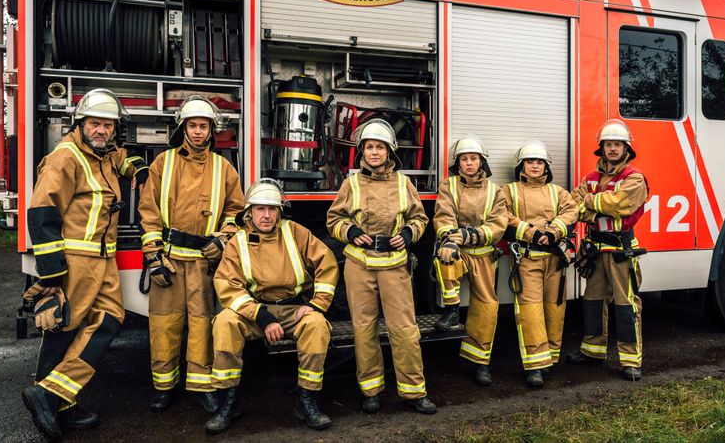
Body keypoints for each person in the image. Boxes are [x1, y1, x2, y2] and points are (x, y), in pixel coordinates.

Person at [22, 88, 148, 440]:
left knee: (109, 320)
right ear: (81, 123)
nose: (102, 131)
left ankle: (52, 395)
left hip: (104, 258)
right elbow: (42, 211)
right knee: (64, 329)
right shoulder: (66, 157)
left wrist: (137, 166)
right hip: (77, 259)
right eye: (96, 123)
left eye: (108, 126)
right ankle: (52, 400)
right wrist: (51, 270)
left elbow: (121, 159)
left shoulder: (104, 154)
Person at [138, 95, 245, 413]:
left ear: (212, 130)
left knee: (202, 326)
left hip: (203, 262)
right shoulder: (164, 162)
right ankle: (163, 386)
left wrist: (224, 240)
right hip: (169, 261)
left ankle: (201, 386)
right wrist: (153, 255)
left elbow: (236, 211)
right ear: (183, 128)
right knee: (164, 326)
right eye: (193, 125)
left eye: (203, 126)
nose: (198, 132)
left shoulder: (224, 167)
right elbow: (149, 210)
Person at [206, 179, 339, 434]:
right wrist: (262, 317)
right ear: (249, 213)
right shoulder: (238, 242)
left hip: (294, 311)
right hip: (255, 312)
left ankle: (307, 400)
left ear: (280, 211)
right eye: (259, 209)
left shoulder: (295, 232)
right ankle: (229, 402)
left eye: (271, 209)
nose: (266, 215)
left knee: (317, 327)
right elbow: (227, 285)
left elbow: (327, 263)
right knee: (224, 323)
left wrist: (317, 305)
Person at [326, 118, 435, 415]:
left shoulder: (404, 183)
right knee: (364, 329)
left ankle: (414, 391)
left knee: (404, 329)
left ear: (390, 151)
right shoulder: (351, 184)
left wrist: (409, 234)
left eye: (380, 147)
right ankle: (371, 390)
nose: (374, 152)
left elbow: (420, 218)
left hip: (394, 265)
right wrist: (349, 232)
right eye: (369, 147)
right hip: (359, 265)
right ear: (362, 152)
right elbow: (334, 219)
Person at [567, 119, 649, 381]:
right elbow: (573, 205)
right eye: (608, 144)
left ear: (627, 149)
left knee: (626, 305)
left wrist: (590, 204)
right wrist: (596, 207)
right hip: (595, 250)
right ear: (601, 148)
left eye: (618, 144)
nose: (613, 149)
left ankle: (630, 360)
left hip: (620, 251)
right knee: (592, 302)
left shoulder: (634, 178)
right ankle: (593, 351)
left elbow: (619, 204)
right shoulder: (590, 178)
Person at [431, 136, 507, 386]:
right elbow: (444, 215)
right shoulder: (449, 186)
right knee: (445, 256)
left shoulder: (495, 191)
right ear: (458, 164)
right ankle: (452, 310)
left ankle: (480, 363)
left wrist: (471, 235)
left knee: (486, 307)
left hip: (484, 253)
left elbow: (498, 224)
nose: (469, 163)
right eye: (464, 159)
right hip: (458, 249)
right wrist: (450, 239)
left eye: (473, 158)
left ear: (481, 161)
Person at [502, 140, 577, 388]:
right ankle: (535, 366)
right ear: (521, 166)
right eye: (530, 161)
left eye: (539, 162)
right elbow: (504, 215)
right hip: (527, 260)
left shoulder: (558, 192)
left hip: (555, 261)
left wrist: (554, 231)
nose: (535, 166)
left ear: (546, 166)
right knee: (530, 312)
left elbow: (571, 212)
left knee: (555, 310)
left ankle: (551, 358)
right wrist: (531, 232)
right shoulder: (509, 190)